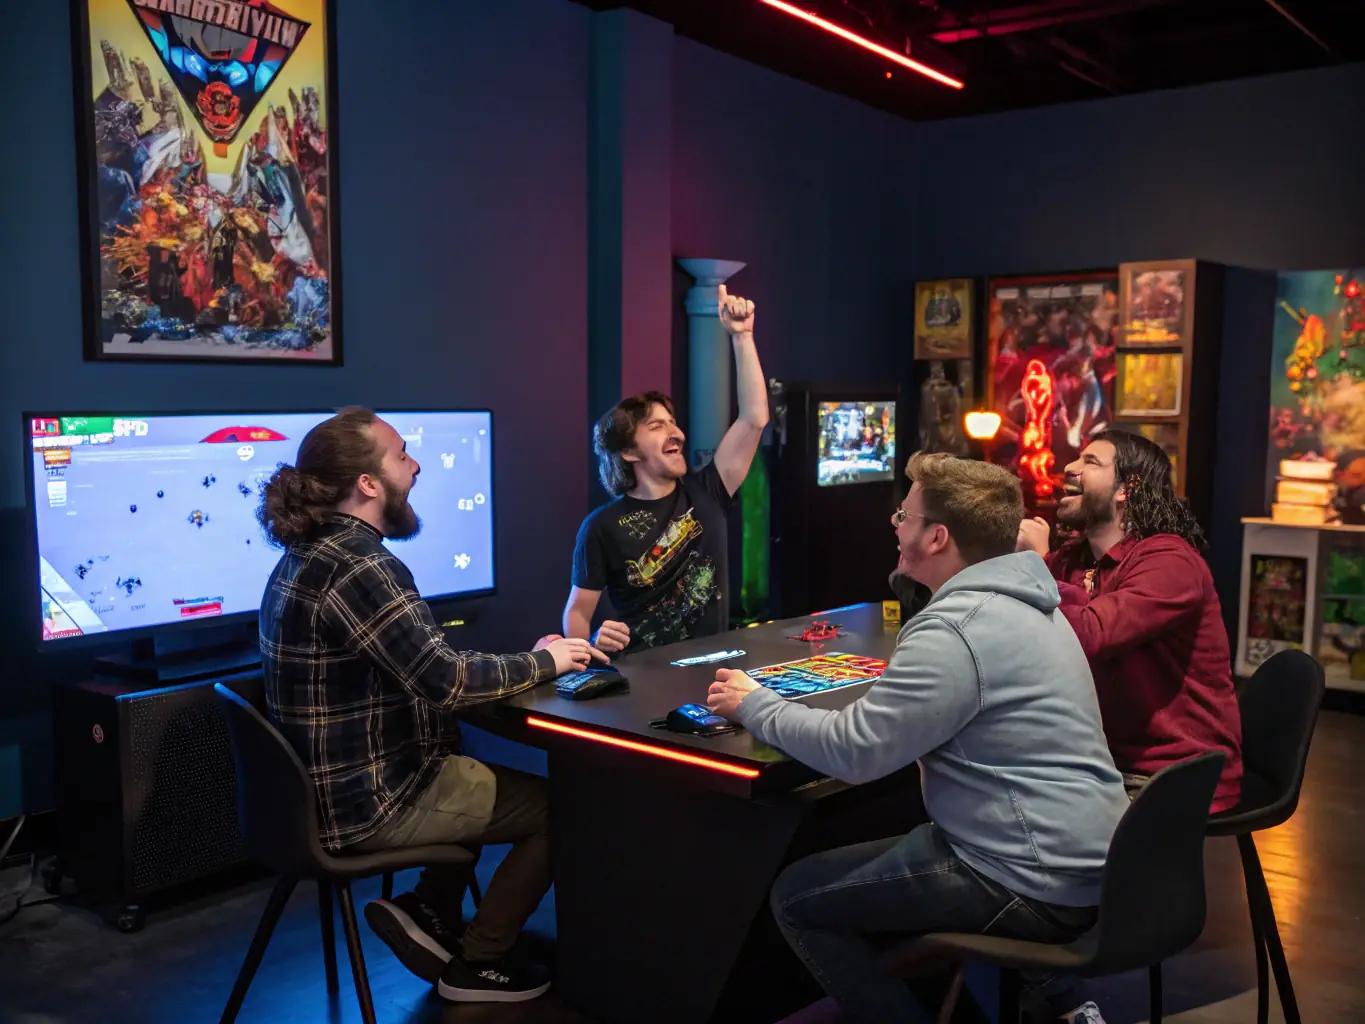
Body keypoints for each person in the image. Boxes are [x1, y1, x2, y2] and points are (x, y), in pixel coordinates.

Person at [706, 453, 1130, 1024]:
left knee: (797, 898)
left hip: (1027, 877)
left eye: (903, 515)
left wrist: (753, 703)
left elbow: (854, 752)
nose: (895, 526)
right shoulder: (1033, 605)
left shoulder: (957, 627)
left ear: (935, 537)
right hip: (1083, 859)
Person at [258, 407, 605, 1004]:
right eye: (400, 455)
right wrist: (550, 662)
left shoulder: (308, 555)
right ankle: (478, 961)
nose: (415, 466)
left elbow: (422, 659)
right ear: (368, 484)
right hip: (371, 804)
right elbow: (443, 678)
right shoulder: (362, 566)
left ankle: (429, 906)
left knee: (457, 757)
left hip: (316, 801)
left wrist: (529, 658)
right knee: (565, 810)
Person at [1017, 430, 1243, 812]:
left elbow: (1089, 634)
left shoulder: (1171, 561)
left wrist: (1036, 565)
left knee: (1014, 820)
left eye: (1090, 462)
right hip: (1099, 757)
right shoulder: (1074, 559)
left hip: (1171, 772)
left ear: (1126, 488)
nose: (1068, 468)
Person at [564, 284, 768, 652]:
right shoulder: (600, 526)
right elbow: (578, 612)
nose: (676, 433)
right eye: (657, 426)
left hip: (710, 674)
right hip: (640, 681)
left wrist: (743, 337)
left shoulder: (710, 491)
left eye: (673, 423)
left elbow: (753, 419)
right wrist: (591, 643)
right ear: (628, 451)